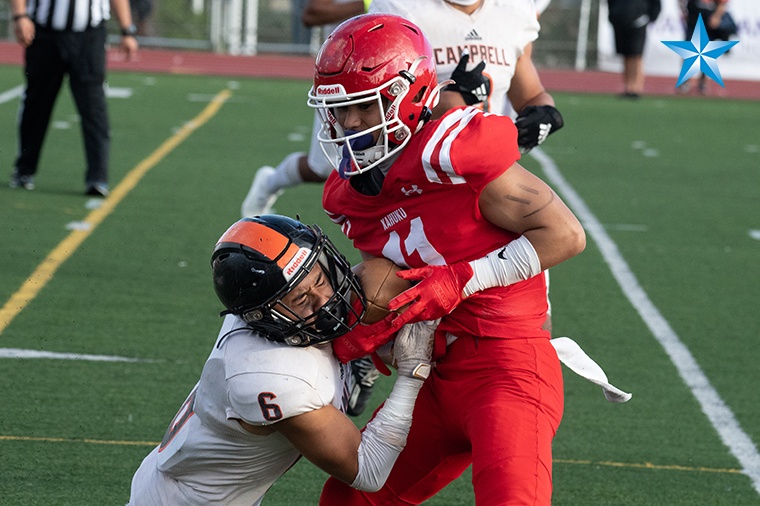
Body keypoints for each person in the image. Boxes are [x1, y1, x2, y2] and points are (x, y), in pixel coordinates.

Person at [308, 14, 586, 504]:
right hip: (429, 371)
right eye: (340, 109)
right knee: (349, 500)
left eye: (363, 108)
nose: (349, 124)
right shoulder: (349, 193)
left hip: (507, 366)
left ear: (403, 97)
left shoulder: (454, 153)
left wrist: (461, 279)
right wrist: (371, 334)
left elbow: (566, 235)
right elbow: (388, 276)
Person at [128, 214, 439, 505]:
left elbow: (364, 289)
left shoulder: (268, 312)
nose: (326, 299)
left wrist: (371, 335)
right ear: (263, 317)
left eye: (320, 277)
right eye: (302, 298)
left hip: (177, 475)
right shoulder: (270, 377)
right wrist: (411, 374)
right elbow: (368, 469)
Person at [241, 0, 366, 220]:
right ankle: (270, 182)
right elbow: (312, 14)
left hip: (408, 72)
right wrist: (370, 5)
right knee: (323, 167)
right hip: (346, 74)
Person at [9, 0, 138, 195]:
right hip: (44, 33)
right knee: (36, 104)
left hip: (89, 36)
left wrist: (127, 30)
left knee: (94, 107)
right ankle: (24, 170)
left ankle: (98, 178)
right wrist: (20, 15)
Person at [679, 0, 736, 95]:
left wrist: (716, 16)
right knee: (689, 50)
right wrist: (683, 11)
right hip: (694, 18)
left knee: (706, 52)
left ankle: (702, 82)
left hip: (708, 20)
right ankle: (685, 81)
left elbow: (722, 3)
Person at [607, 0, 661, 99]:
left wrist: (650, 17)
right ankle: (628, 87)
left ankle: (636, 88)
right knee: (626, 55)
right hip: (620, 22)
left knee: (636, 55)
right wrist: (613, 15)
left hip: (638, 22)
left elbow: (656, 4)